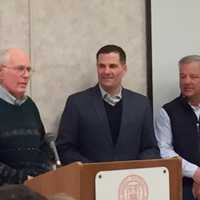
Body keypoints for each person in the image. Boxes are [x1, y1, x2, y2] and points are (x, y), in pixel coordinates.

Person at [56, 44, 160, 164]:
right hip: (89, 179)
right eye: (101, 66)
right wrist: (92, 170)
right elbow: (64, 148)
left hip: (129, 180)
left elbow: (150, 148)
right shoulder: (77, 103)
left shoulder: (141, 104)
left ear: (124, 69)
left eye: (112, 66)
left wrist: (134, 169)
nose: (106, 71)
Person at [0, 48, 50, 185]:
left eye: (29, 70)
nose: (26, 75)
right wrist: (22, 179)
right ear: (1, 72)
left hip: (35, 189)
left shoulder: (30, 106)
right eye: (20, 69)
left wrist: (41, 175)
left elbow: (43, 146)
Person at [155, 55, 200, 200]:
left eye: (193, 76)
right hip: (182, 185)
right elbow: (164, 150)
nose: (187, 81)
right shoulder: (167, 111)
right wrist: (195, 173)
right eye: (182, 76)